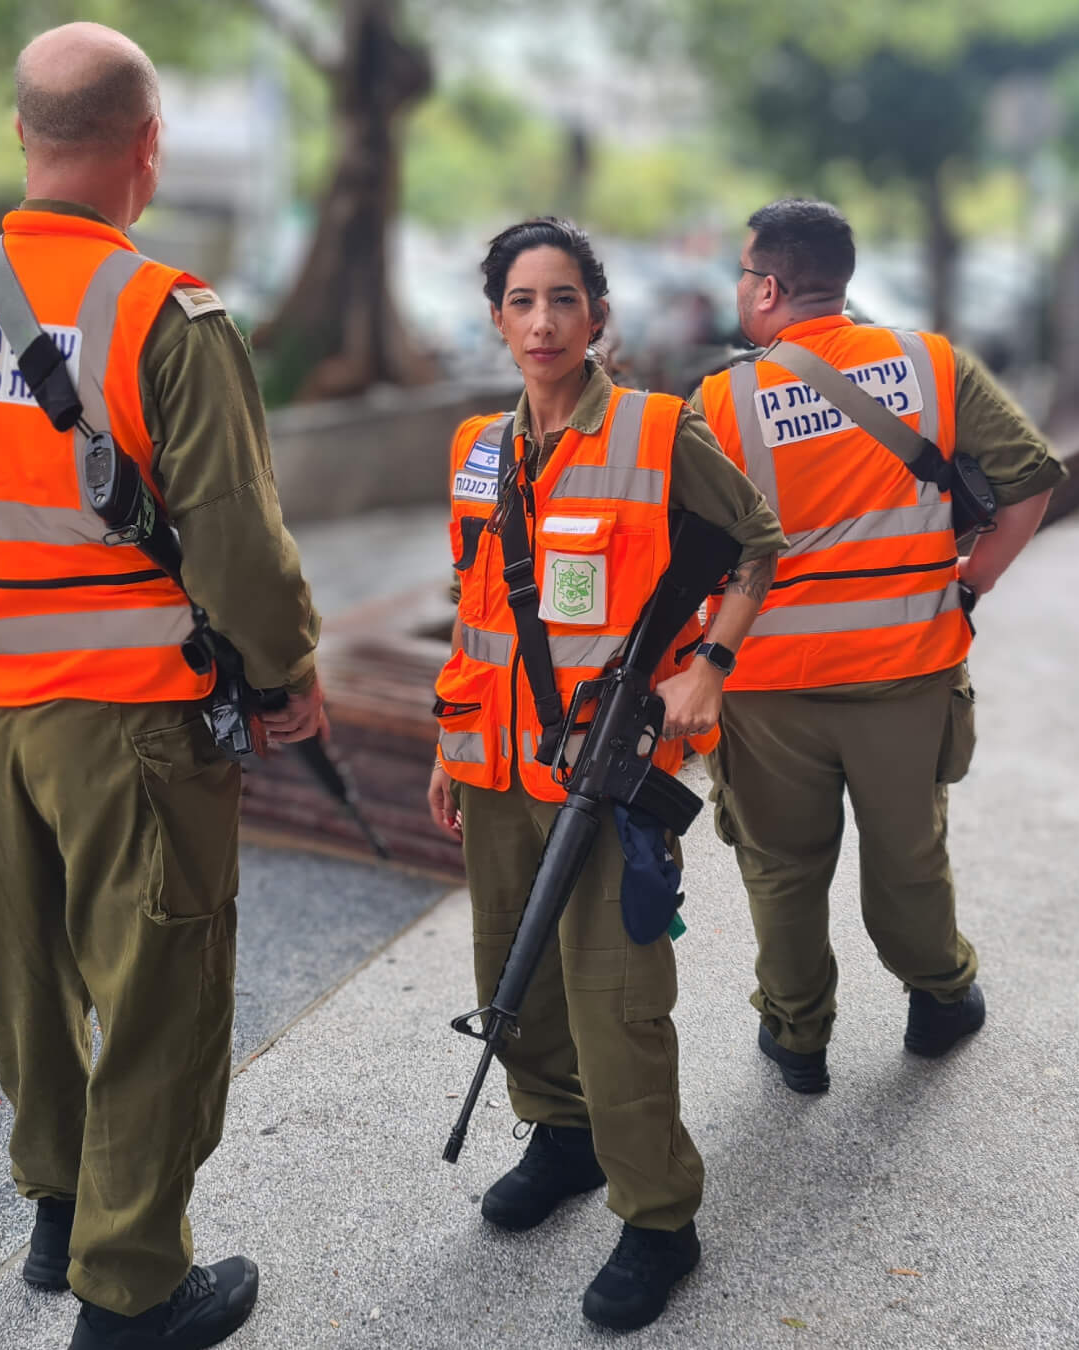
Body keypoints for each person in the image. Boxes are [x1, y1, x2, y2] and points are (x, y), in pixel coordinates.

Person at [0, 23, 321, 1349]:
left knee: (26, 976)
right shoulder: (165, 312)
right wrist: (286, 673)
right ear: (149, 146)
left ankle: (61, 1209)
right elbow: (235, 536)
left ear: (22, 136)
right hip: (132, 724)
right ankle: (133, 1292)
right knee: (155, 990)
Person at [425, 218, 784, 1332]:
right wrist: (449, 740)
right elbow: (474, 603)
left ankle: (658, 1218)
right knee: (513, 977)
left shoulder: (656, 431)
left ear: (598, 317)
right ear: (497, 318)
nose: (542, 322)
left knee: (620, 1000)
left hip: (611, 768)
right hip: (496, 768)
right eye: (523, 301)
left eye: (564, 300)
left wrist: (710, 668)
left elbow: (760, 542)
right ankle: (564, 1138)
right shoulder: (478, 448)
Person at [693, 199, 1065, 1093]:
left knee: (781, 870)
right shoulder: (932, 366)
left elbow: (692, 547)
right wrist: (968, 582)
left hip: (772, 684)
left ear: (770, 287)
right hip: (909, 671)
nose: (741, 288)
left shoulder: (719, 400)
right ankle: (939, 1001)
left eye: (744, 275)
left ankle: (797, 1036)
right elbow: (1030, 481)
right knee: (908, 854)